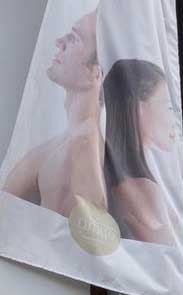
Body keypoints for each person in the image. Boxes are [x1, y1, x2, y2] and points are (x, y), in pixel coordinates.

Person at [1, 9, 108, 217]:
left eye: (74, 38)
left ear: (96, 73)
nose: (59, 42)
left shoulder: (79, 150)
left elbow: (60, 236)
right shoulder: (69, 143)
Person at [103, 58, 176, 244]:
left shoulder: (99, 173)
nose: (173, 120)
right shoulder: (145, 191)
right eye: (169, 107)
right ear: (138, 107)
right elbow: (167, 257)